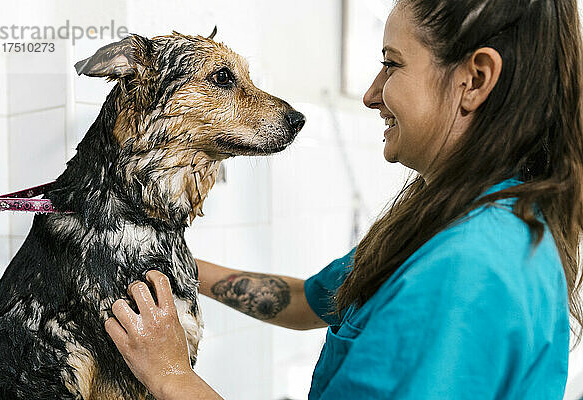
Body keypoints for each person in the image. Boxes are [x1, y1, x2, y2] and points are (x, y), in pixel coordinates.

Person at [104, 0, 583, 398]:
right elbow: (303, 301)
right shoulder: (467, 222)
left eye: (392, 64)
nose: (371, 94)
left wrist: (170, 376)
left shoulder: (463, 270)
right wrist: (171, 260)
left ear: (474, 80)